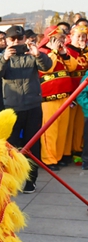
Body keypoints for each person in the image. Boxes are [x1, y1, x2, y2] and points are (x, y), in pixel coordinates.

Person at [0, 25, 53, 193]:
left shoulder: (32, 54)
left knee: (33, 144)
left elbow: (47, 66)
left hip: (33, 106)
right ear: (7, 41)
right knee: (11, 146)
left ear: (25, 39)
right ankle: (11, 178)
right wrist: (4, 58)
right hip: (12, 108)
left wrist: (38, 54)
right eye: (13, 39)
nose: (17, 42)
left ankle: (30, 180)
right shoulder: (3, 56)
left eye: (20, 39)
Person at [37, 26, 78, 170]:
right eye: (58, 38)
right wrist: (54, 51)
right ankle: (48, 160)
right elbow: (47, 68)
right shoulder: (42, 53)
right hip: (49, 99)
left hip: (64, 97)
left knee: (62, 131)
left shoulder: (61, 53)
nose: (62, 40)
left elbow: (73, 67)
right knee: (50, 131)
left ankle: (59, 156)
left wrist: (63, 54)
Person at [65, 25, 87, 165]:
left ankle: (78, 149)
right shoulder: (67, 51)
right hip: (71, 90)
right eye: (78, 36)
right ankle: (67, 152)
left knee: (81, 124)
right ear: (71, 36)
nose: (81, 39)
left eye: (83, 37)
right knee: (68, 124)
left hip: (84, 91)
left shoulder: (85, 52)